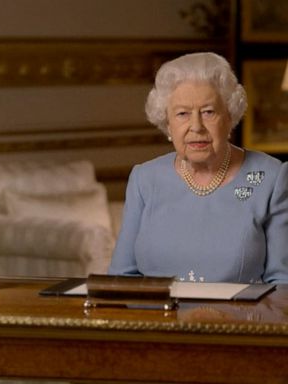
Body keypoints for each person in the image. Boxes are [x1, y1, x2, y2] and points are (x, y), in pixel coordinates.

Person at [109, 52, 288, 284]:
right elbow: (121, 278)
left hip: (238, 319)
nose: (196, 126)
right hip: (155, 318)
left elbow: (282, 286)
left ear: (229, 117)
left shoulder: (268, 178)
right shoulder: (145, 179)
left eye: (208, 112)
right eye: (182, 114)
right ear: (167, 123)